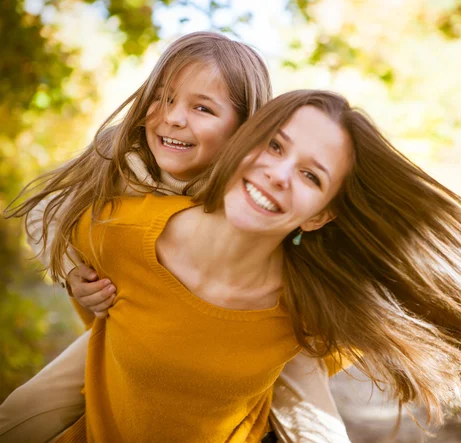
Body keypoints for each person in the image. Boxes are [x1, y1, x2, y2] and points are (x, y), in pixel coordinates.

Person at [40, 90, 461, 440]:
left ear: (319, 216)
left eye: (311, 176)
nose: (280, 175)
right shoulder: (120, 227)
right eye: (275, 146)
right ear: (243, 143)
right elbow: (52, 222)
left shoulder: (315, 306)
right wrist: (72, 276)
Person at [1, 34, 350, 443]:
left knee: (310, 412)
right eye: (163, 98)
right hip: (133, 319)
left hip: (250, 317)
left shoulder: (242, 185)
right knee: (21, 414)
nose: (173, 118)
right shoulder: (122, 157)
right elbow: (47, 211)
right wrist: (72, 273)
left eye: (201, 108)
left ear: (244, 130)